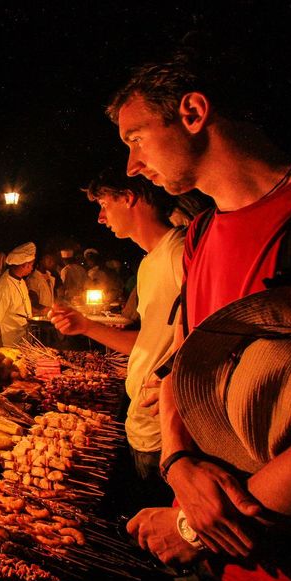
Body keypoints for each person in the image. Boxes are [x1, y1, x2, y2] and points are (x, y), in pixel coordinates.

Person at [108, 40, 291, 581]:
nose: (132, 163)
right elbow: (183, 367)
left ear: (192, 113)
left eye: (136, 138)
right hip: (223, 562)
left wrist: (194, 527)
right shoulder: (199, 236)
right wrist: (178, 463)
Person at [49, 169, 183, 509]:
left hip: (171, 437)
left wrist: (172, 381)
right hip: (144, 429)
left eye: (104, 203)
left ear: (128, 197)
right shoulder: (150, 263)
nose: (101, 216)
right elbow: (150, 343)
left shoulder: (180, 254)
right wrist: (86, 327)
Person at [0, 242, 35, 346]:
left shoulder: (21, 281)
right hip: (9, 343)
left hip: (23, 341)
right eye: (31, 265)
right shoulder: (4, 285)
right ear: (24, 265)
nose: (32, 268)